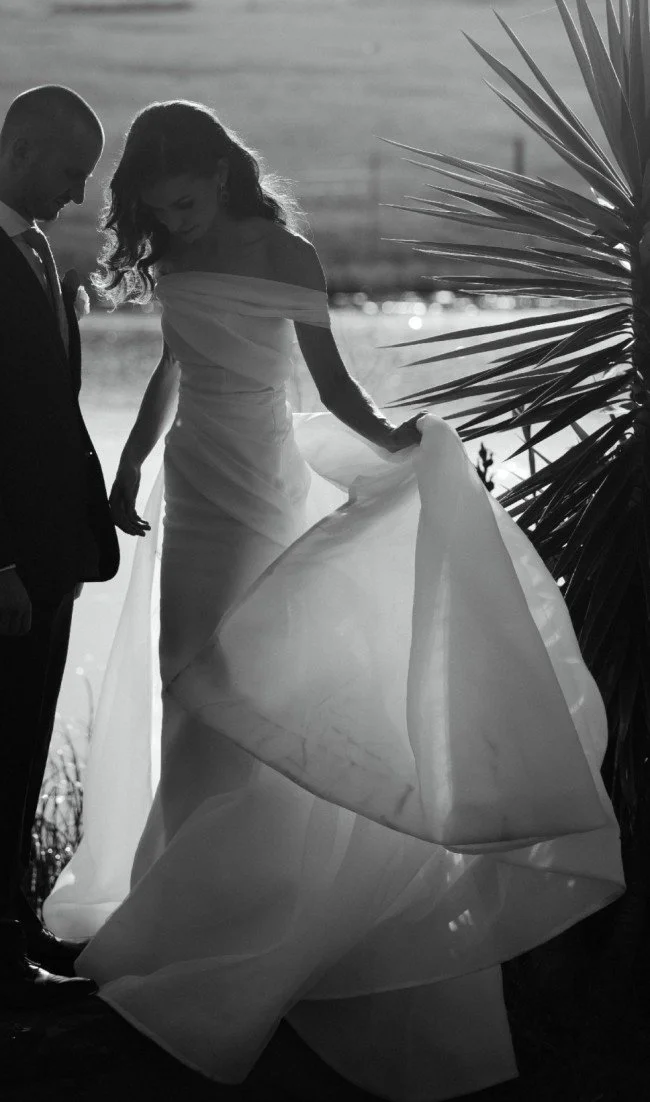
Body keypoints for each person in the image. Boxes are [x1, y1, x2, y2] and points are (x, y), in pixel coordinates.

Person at [44, 100, 624, 1101]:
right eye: (155, 207)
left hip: (262, 488)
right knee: (184, 684)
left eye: (182, 200)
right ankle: (185, 906)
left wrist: (400, 449)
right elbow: (172, 370)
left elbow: (334, 386)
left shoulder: (288, 258)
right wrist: (128, 465)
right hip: (193, 489)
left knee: (250, 677)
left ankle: (259, 913)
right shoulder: (174, 260)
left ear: (219, 177)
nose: (172, 221)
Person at [0, 85, 120, 1008]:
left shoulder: (36, 249)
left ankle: (14, 926)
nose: (79, 195)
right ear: (21, 149)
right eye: (70, 171)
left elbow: (52, 407)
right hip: (8, 565)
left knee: (27, 741)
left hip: (55, 556)